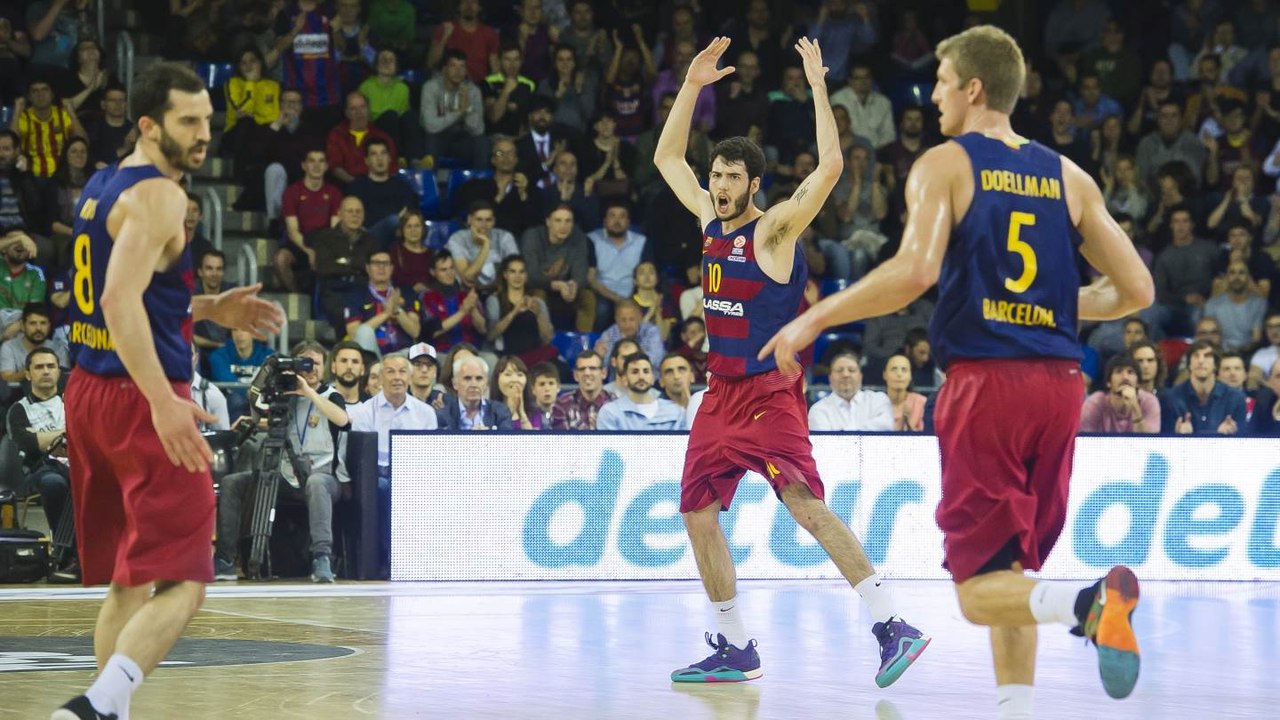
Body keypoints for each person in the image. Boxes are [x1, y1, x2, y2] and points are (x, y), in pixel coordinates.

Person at [760, 27, 1156, 714]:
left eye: (942, 81)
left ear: (973, 88)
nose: (933, 93)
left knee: (976, 594)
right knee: (1013, 573)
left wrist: (813, 318)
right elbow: (1136, 292)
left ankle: (1090, 604)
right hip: (1061, 386)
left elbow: (914, 271)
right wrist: (1047, 304)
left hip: (988, 384)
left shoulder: (944, 164)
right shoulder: (1070, 176)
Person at [656, 37, 929, 687]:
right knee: (696, 513)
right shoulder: (707, 218)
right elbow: (667, 156)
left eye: (732, 178)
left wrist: (817, 87)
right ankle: (735, 646)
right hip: (719, 394)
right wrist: (691, 86)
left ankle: (892, 623)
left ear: (754, 185)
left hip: (769, 394)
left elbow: (830, 167)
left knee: (804, 505)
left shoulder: (774, 229)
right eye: (716, 176)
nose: (720, 186)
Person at [55, 61, 283, 720]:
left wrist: (208, 307)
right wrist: (163, 402)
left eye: (207, 119)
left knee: (131, 580)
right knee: (187, 579)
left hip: (89, 391)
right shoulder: (162, 197)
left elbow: (134, 292)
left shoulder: (103, 184)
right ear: (150, 125)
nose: (204, 133)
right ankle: (95, 708)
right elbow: (118, 300)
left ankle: (106, 711)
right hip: (140, 398)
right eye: (188, 121)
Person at [215, 341, 350, 584]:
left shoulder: (332, 396)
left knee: (316, 483)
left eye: (316, 363)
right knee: (232, 483)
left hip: (323, 478)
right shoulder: (285, 397)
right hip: (286, 477)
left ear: (325, 367)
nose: (311, 369)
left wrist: (307, 392)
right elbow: (260, 410)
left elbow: (343, 420)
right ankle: (225, 560)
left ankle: (322, 557)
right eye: (304, 364)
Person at [596, 352, 686, 430]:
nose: (641, 377)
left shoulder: (676, 411)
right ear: (624, 379)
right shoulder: (610, 412)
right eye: (635, 372)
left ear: (653, 378)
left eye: (646, 371)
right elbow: (608, 445)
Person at [1080, 355, 1160, 433]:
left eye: (1130, 372)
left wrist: (1135, 408)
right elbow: (1083, 439)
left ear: (1138, 383)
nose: (1125, 377)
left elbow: (1149, 440)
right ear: (1108, 382)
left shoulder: (1149, 401)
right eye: (1118, 372)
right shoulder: (1095, 403)